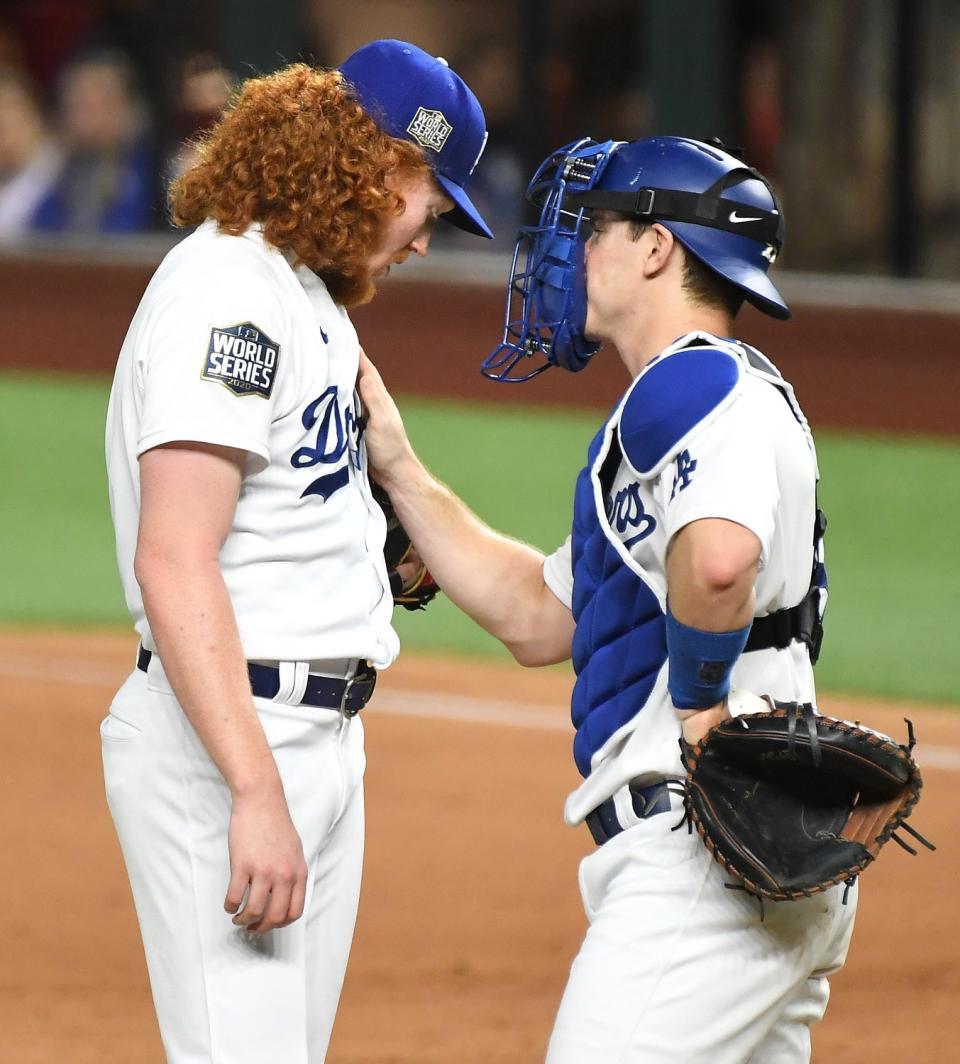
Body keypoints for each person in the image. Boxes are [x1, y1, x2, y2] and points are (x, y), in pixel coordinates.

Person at [358, 136, 854, 1062]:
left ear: (658, 248)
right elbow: (541, 617)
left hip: (704, 853)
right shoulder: (711, 400)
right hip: (759, 848)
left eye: (596, 228)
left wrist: (701, 708)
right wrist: (401, 468)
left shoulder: (692, 383)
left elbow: (717, 565)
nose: (574, 251)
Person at [101, 40, 491, 1064]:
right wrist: (254, 786)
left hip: (315, 737)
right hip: (235, 735)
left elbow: (292, 505)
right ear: (372, 164)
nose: (424, 239)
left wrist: (387, 557)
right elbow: (174, 556)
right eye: (431, 203)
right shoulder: (229, 291)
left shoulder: (308, 299)